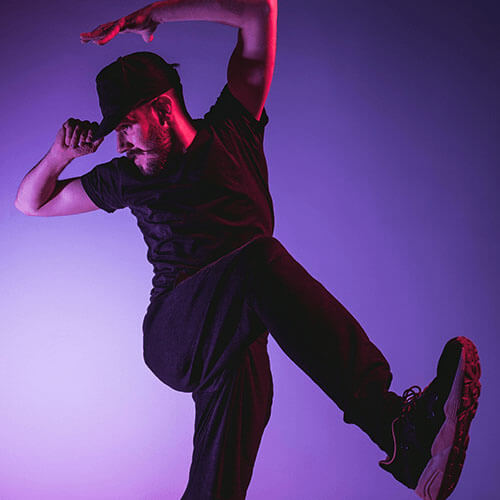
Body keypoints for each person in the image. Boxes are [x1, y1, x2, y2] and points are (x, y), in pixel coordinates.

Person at [15, 1, 481, 499]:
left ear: (164, 109)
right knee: (258, 259)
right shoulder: (126, 178)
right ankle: (394, 427)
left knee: (220, 480)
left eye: (127, 125)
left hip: (238, 338)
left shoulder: (234, 128)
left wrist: (153, 14)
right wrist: (59, 156)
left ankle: (414, 465)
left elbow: (260, 9)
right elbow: (31, 203)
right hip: (177, 331)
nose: (121, 145)